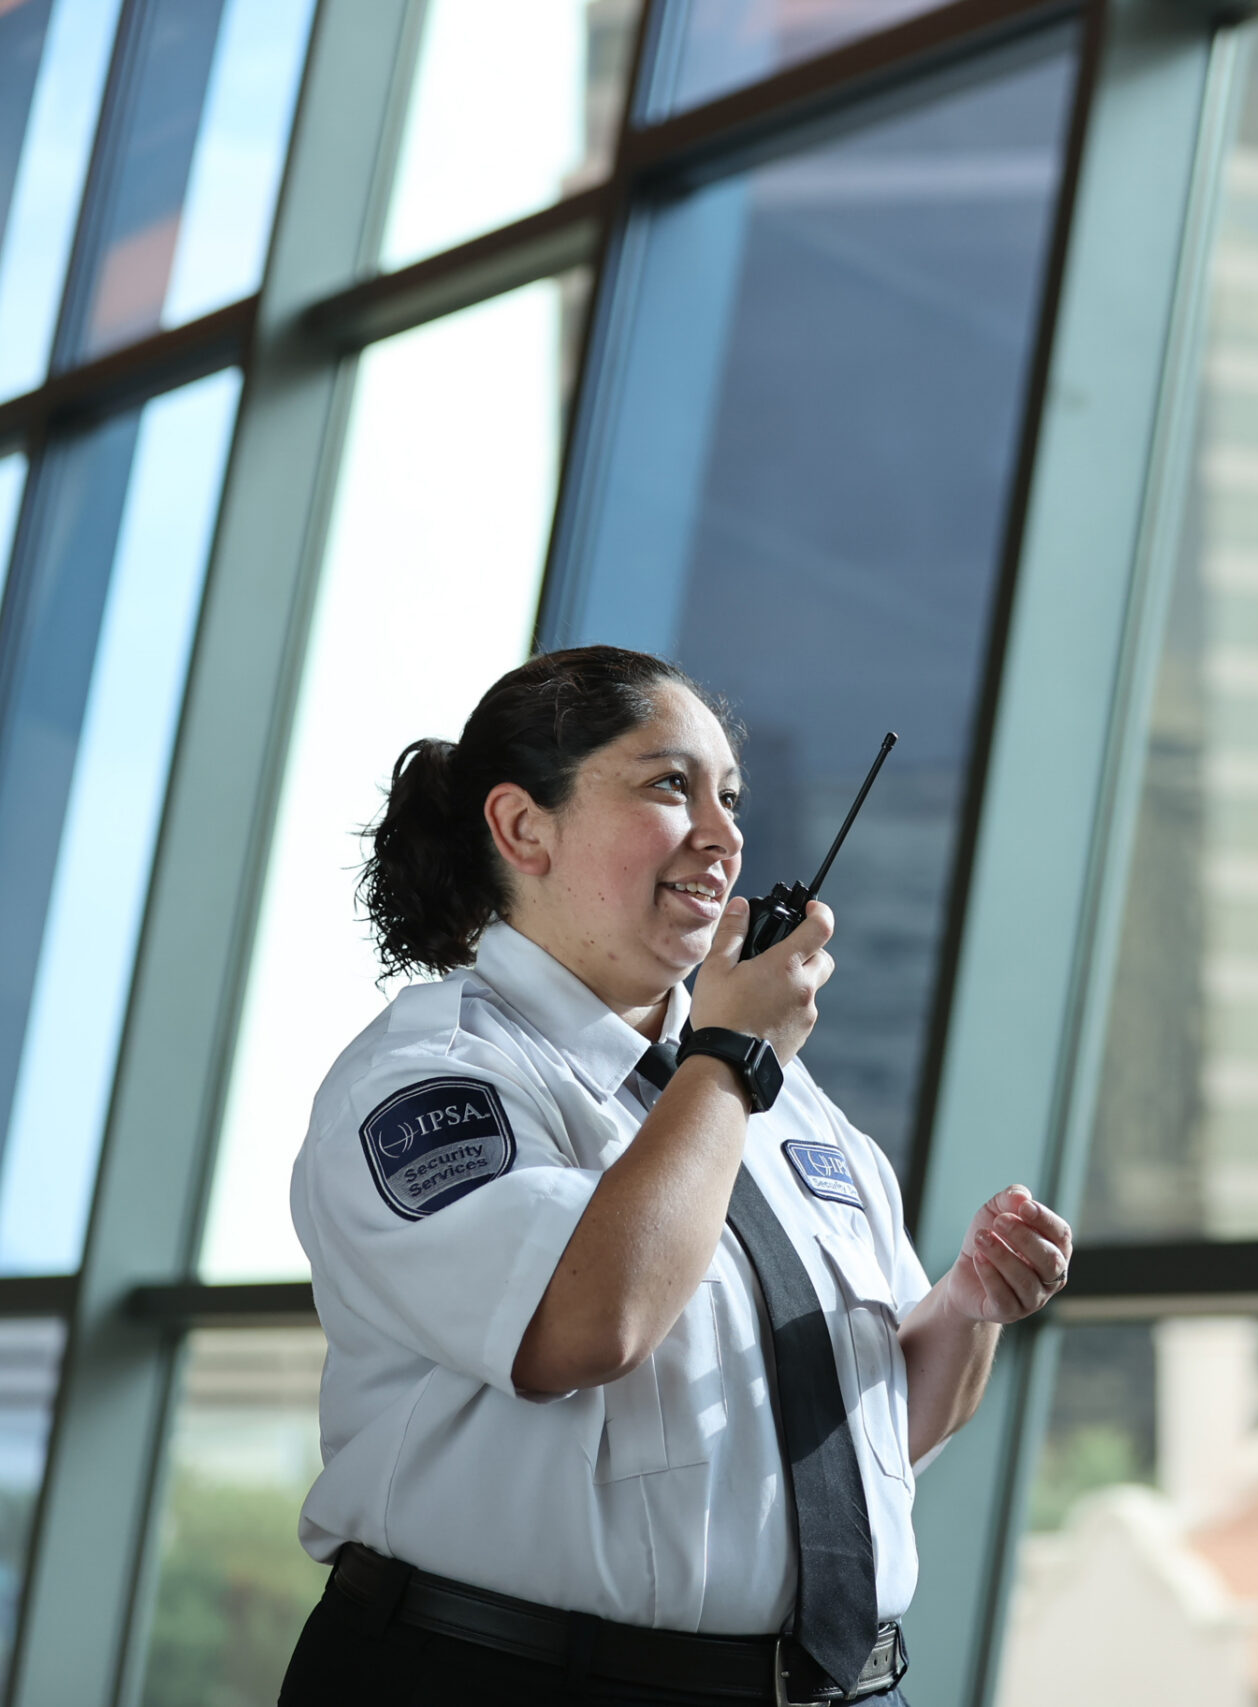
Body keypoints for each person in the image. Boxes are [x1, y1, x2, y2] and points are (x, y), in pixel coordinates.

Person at [277, 646, 1071, 1705]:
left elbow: (866, 1438)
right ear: (524, 829)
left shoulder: (795, 1114)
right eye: (669, 786)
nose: (725, 835)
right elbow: (584, 1325)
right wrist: (733, 1058)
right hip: (506, 1676)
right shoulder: (431, 1079)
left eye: (732, 798)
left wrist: (972, 1304)